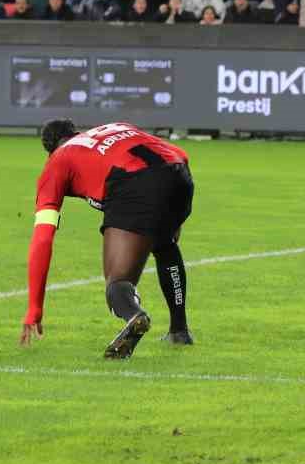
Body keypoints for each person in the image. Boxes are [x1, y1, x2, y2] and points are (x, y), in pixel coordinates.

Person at [20, 120, 195, 358]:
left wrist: (34, 308)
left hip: (135, 184)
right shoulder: (114, 127)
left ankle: (135, 316)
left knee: (117, 285)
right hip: (180, 175)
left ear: (50, 151)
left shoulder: (58, 160)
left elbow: (42, 239)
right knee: (165, 243)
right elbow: (179, 154)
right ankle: (179, 331)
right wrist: (176, 215)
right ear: (76, 132)